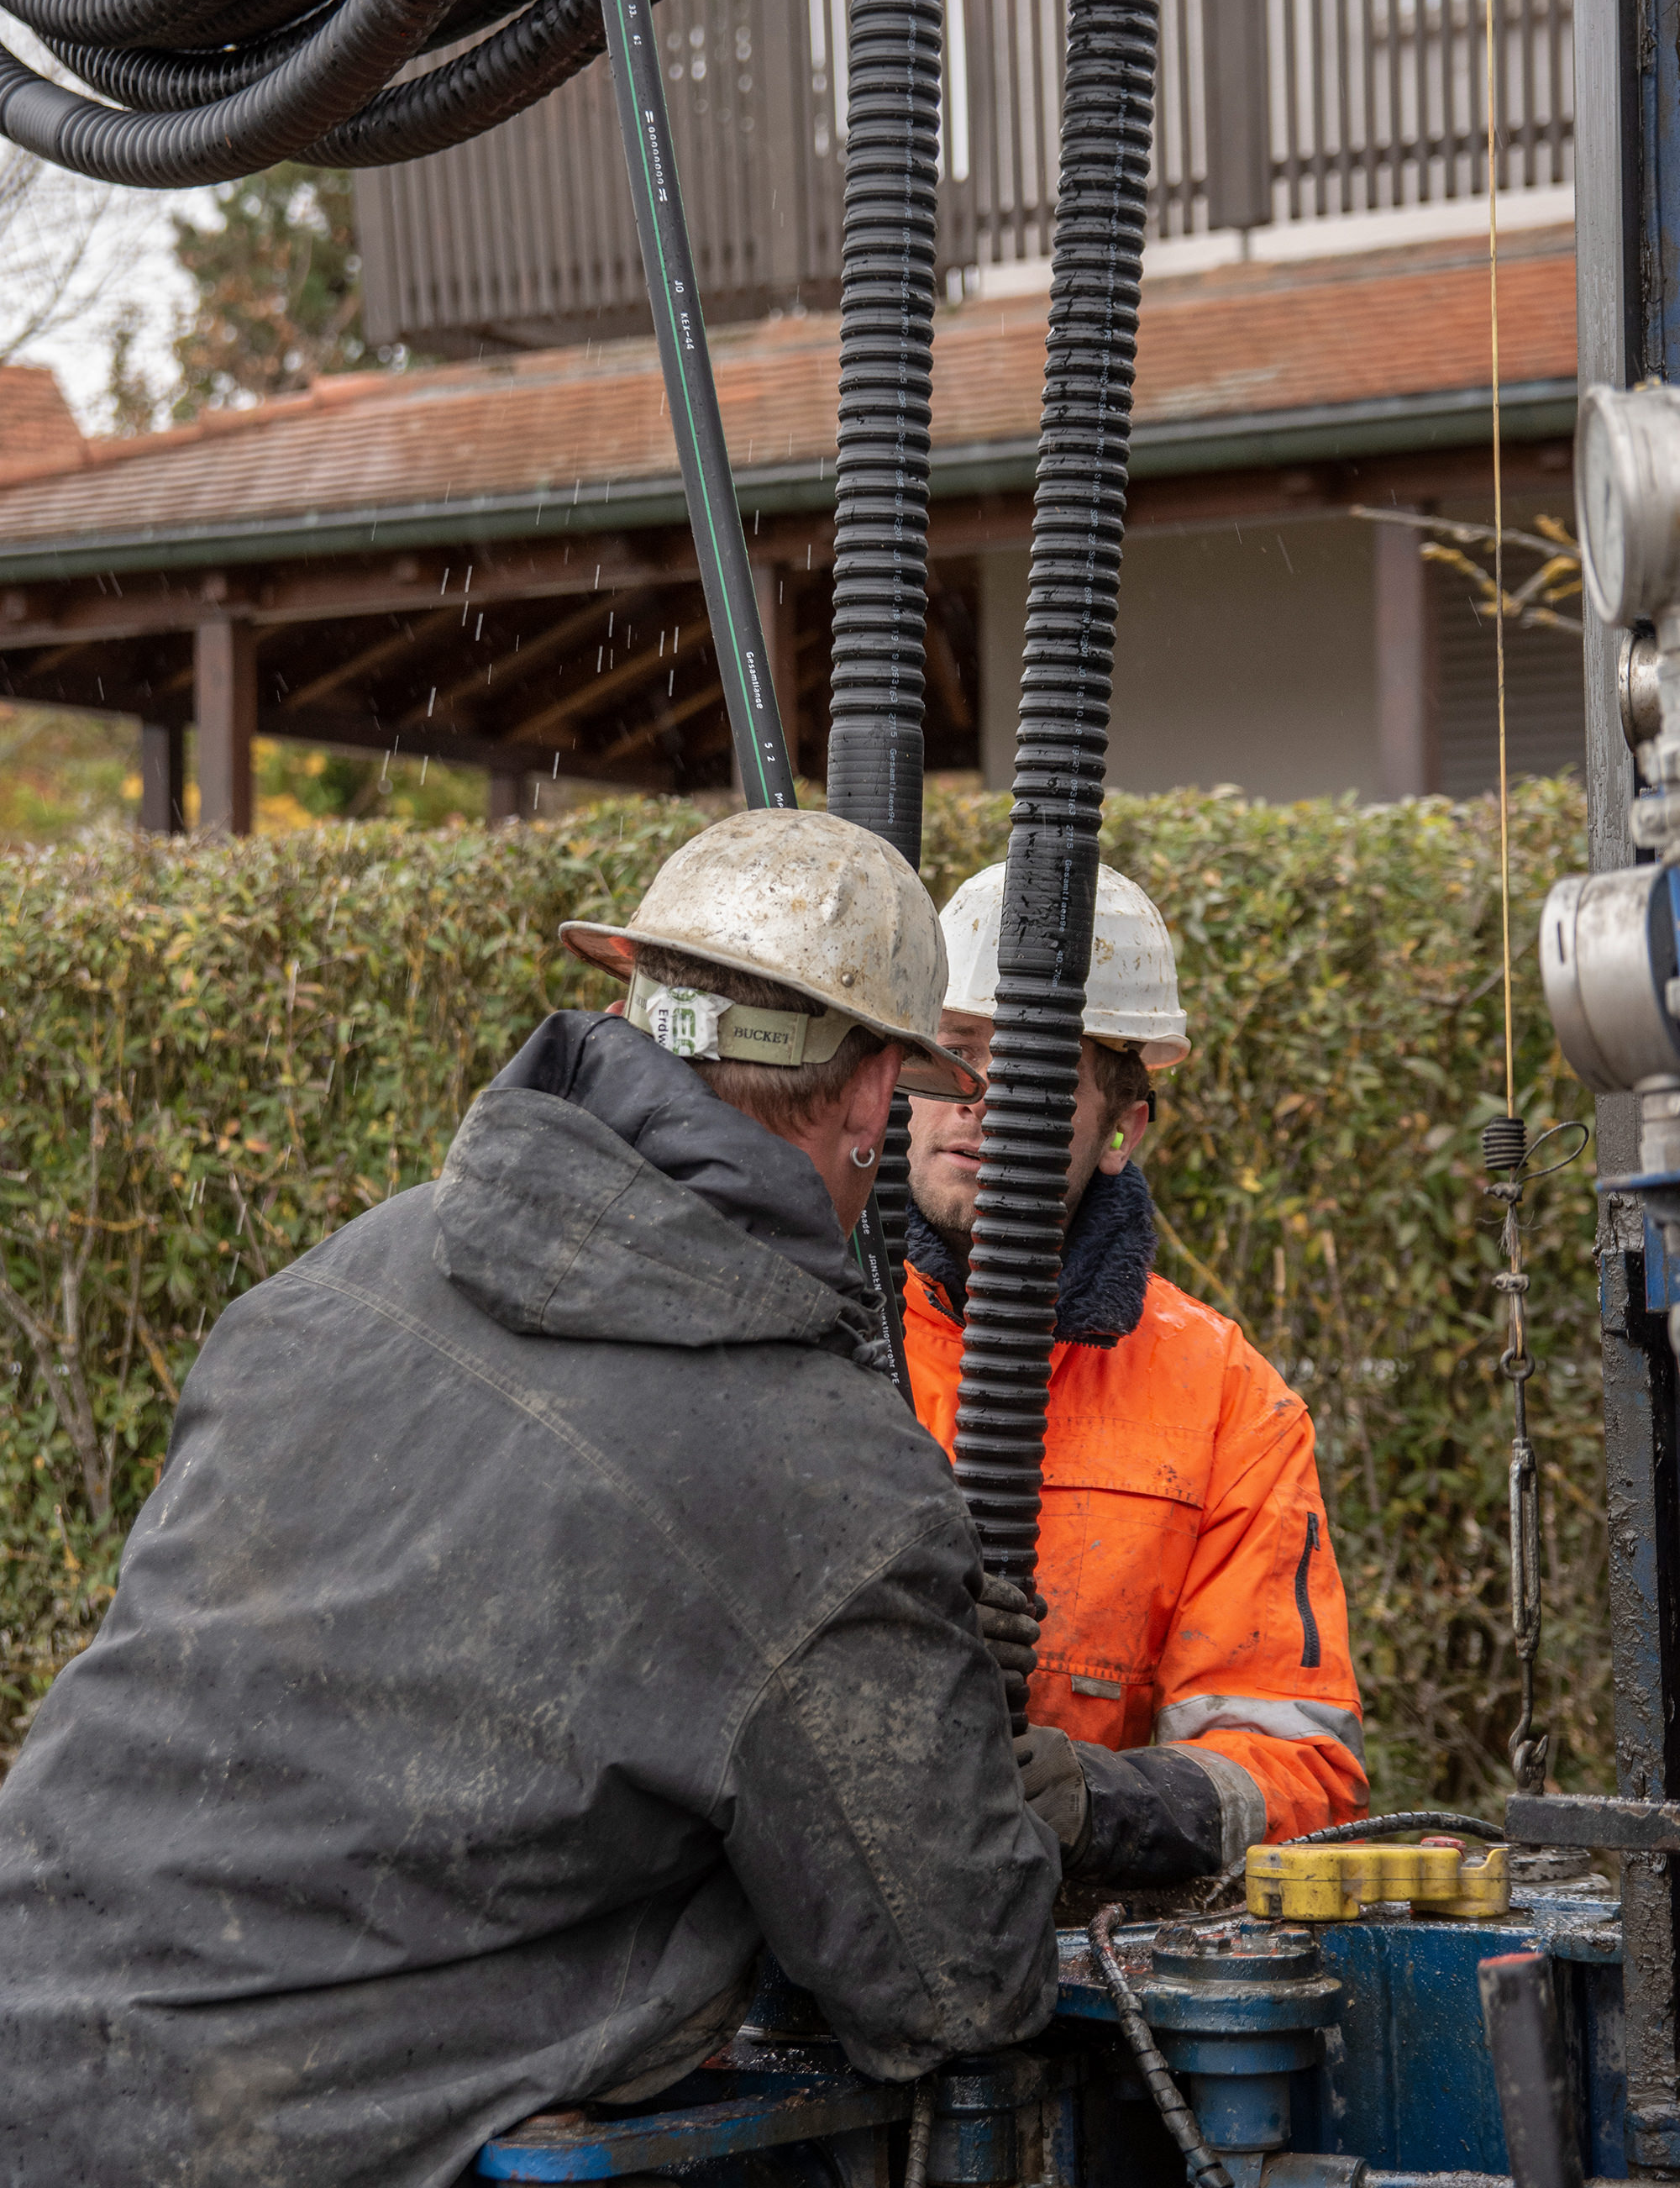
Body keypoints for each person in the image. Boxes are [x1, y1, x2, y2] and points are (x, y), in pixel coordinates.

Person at [0, 810, 1060, 2188]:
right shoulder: (821, 1475)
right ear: (870, 1098)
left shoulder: (331, 1283)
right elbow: (957, 1982)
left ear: (634, 1009)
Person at [905, 862, 1367, 1890]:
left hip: (1070, 1958)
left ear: (1122, 1127)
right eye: (954, 1055)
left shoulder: (1220, 1397)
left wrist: (1107, 1805)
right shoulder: (807, 1331)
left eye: (1032, 1069)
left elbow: (1295, 1762)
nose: (977, 1104)